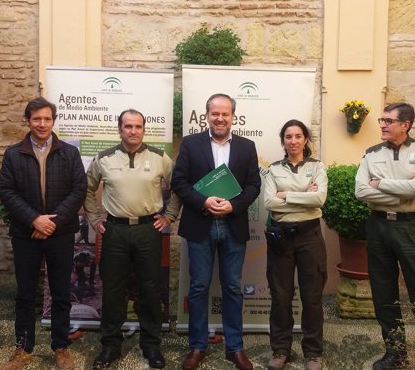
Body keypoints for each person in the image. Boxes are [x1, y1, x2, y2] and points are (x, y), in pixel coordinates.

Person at [355, 103, 415, 370]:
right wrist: (402, 190)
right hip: (378, 227)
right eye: (381, 120)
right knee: (383, 292)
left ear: (405, 124)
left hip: (411, 227)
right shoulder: (371, 154)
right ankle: (395, 353)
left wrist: (381, 183)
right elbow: (361, 191)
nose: (382, 124)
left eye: (388, 120)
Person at [171, 93, 261, 370]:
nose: (220, 118)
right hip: (201, 225)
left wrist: (233, 206)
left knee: (232, 287)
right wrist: (204, 201)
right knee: (198, 287)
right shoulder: (190, 144)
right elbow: (179, 182)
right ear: (206, 115)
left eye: (225, 114)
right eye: (215, 113)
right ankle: (197, 347)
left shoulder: (247, 146)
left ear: (233, 116)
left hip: (232, 226)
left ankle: (234, 348)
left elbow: (254, 185)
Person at [0, 97, 87, 370]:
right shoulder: (14, 153)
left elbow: (78, 190)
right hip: (26, 235)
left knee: (61, 293)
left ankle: (61, 347)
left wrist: (52, 223)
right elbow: (6, 191)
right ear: (28, 121)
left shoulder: (69, 153)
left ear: (53, 121)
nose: (42, 124)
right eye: (36, 119)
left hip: (59, 234)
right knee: (25, 293)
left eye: (47, 119)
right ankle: (23, 348)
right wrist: (34, 220)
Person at [84, 109, 173, 370]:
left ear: (144, 129)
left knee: (149, 288)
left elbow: (179, 186)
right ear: (119, 129)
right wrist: (94, 219)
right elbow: (87, 188)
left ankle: (151, 345)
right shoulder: (104, 158)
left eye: (138, 126)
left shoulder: (160, 158)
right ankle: (110, 345)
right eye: (127, 126)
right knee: (113, 289)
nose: (133, 131)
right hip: (115, 231)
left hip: (148, 231)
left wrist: (169, 216)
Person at [263, 120, 328, 370]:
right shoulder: (274, 169)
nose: (293, 141)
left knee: (312, 296)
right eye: (288, 137)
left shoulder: (317, 166)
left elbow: (319, 198)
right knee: (281, 296)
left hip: (309, 236)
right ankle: (280, 350)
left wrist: (286, 195)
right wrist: (305, 196)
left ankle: (313, 353)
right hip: (281, 237)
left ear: (305, 140)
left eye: (298, 136)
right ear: (283, 141)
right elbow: (269, 202)